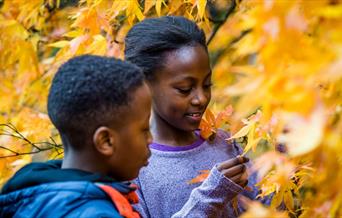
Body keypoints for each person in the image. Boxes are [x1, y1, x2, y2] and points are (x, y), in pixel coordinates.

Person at [125, 16, 259, 218]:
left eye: (207, 85)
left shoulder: (223, 142)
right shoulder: (132, 167)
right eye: (185, 89)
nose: (201, 98)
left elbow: (267, 208)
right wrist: (209, 198)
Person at [0, 55, 153, 217]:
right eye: (144, 130)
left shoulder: (34, 198)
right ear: (106, 141)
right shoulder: (96, 214)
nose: (151, 139)